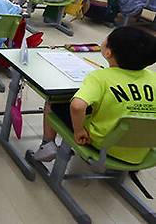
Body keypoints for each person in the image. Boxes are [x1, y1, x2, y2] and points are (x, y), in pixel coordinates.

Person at [33, 27, 156, 164]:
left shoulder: (100, 77)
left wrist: (79, 130)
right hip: (141, 151)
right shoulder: (153, 78)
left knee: (53, 102)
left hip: (105, 144)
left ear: (108, 52)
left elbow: (78, 106)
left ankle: (47, 144)